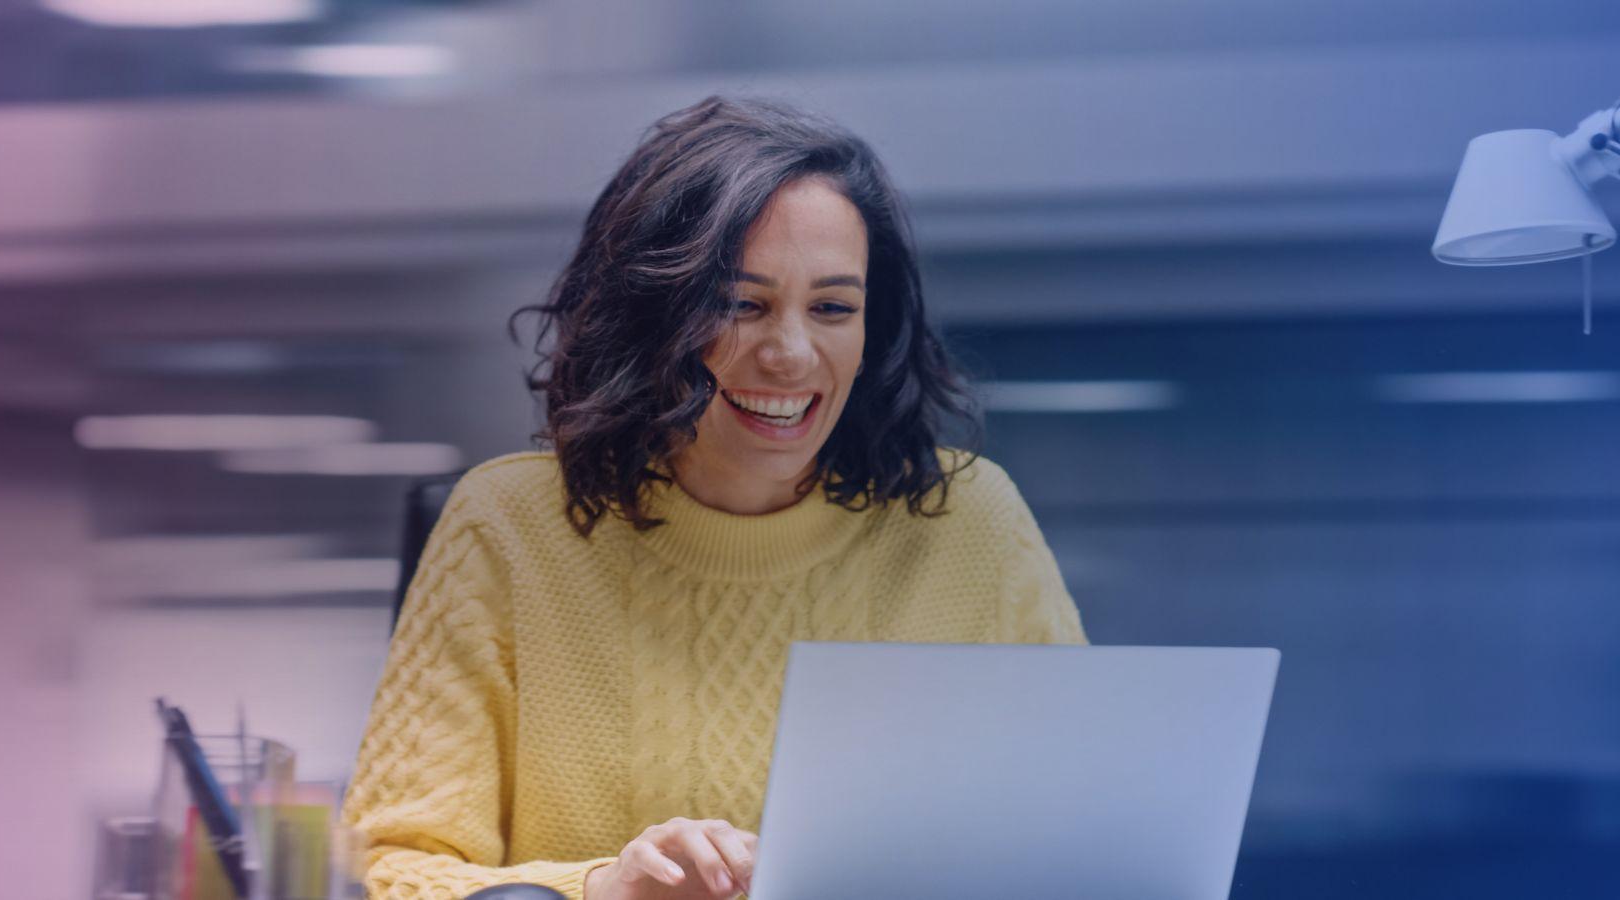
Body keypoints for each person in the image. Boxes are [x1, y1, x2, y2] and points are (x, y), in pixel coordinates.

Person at [342, 96, 1088, 900]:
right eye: (741, 304)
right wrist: (604, 888)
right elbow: (384, 872)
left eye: (833, 308)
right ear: (653, 314)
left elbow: (1093, 837)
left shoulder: (971, 523)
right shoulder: (507, 527)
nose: (791, 353)